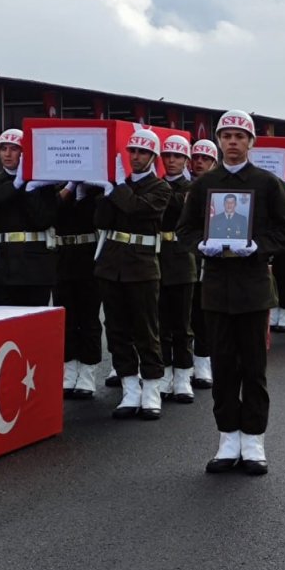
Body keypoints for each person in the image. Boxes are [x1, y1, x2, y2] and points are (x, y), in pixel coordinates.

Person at [177, 110, 285, 475]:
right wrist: (202, 245)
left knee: (254, 367)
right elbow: (183, 231)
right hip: (216, 287)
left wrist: (256, 247)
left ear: (250, 143)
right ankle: (227, 438)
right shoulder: (202, 185)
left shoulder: (267, 183)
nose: (232, 142)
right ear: (218, 141)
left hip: (253, 287)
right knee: (223, 365)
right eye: (226, 135)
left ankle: (254, 440)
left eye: (239, 136)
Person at [88, 129, 172, 421]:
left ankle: (151, 388)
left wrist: (116, 189)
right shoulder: (118, 185)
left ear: (152, 157)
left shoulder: (160, 188)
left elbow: (139, 210)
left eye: (142, 153)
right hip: (112, 264)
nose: (136, 157)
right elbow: (100, 220)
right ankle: (129, 387)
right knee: (116, 329)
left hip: (142, 265)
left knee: (146, 330)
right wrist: (104, 193)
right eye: (132, 151)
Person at [0, 128, 59, 307]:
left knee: (36, 323)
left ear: (24, 152)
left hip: (37, 265)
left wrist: (29, 190)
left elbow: (43, 219)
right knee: (7, 326)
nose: (8, 154)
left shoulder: (40, 182)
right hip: (6, 264)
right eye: (3, 148)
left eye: (14, 149)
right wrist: (15, 185)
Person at [53, 168, 105, 400]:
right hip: (62, 255)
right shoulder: (56, 186)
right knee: (66, 317)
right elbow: (49, 213)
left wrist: (89, 192)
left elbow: (102, 217)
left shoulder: (97, 189)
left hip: (89, 255)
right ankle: (70, 368)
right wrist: (70, 188)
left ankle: (88, 370)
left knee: (89, 317)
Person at [156, 135, 199, 404]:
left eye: (177, 157)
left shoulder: (192, 187)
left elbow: (176, 207)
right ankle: (164, 373)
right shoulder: (156, 185)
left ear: (185, 160)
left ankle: (183, 375)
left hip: (182, 258)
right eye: (167, 156)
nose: (171, 161)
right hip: (157, 256)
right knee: (159, 323)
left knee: (182, 323)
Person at [188, 138, 219, 390]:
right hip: (182, 256)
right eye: (196, 158)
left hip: (209, 259)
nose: (199, 162)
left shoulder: (219, 188)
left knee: (202, 313)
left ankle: (203, 362)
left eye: (205, 159)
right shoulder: (184, 187)